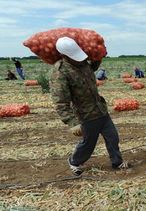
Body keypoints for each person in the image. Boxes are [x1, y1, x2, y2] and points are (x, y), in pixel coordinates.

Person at [50, 37, 129, 176]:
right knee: (88, 144)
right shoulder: (60, 72)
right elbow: (60, 101)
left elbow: (92, 67)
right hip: (86, 115)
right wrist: (72, 122)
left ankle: (117, 162)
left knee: (113, 137)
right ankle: (74, 161)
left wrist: (99, 57)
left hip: (100, 109)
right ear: (65, 55)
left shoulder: (83, 63)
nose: (79, 59)